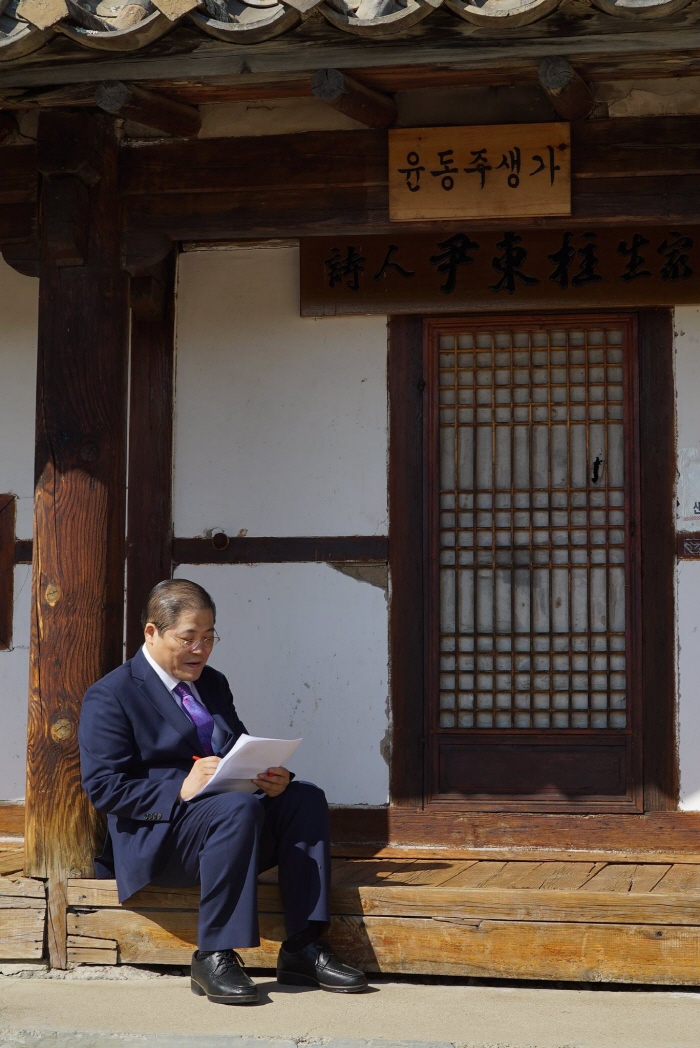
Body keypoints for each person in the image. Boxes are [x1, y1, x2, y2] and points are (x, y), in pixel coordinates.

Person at [78, 578, 368, 1004]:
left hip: (228, 823)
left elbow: (235, 748)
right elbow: (103, 788)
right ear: (152, 632)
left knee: (303, 797)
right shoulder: (111, 695)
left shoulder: (212, 683)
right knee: (236, 810)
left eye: (209, 637)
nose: (201, 650)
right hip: (161, 839)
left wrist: (267, 776)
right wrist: (179, 788)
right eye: (188, 638)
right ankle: (213, 954)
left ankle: (303, 946)